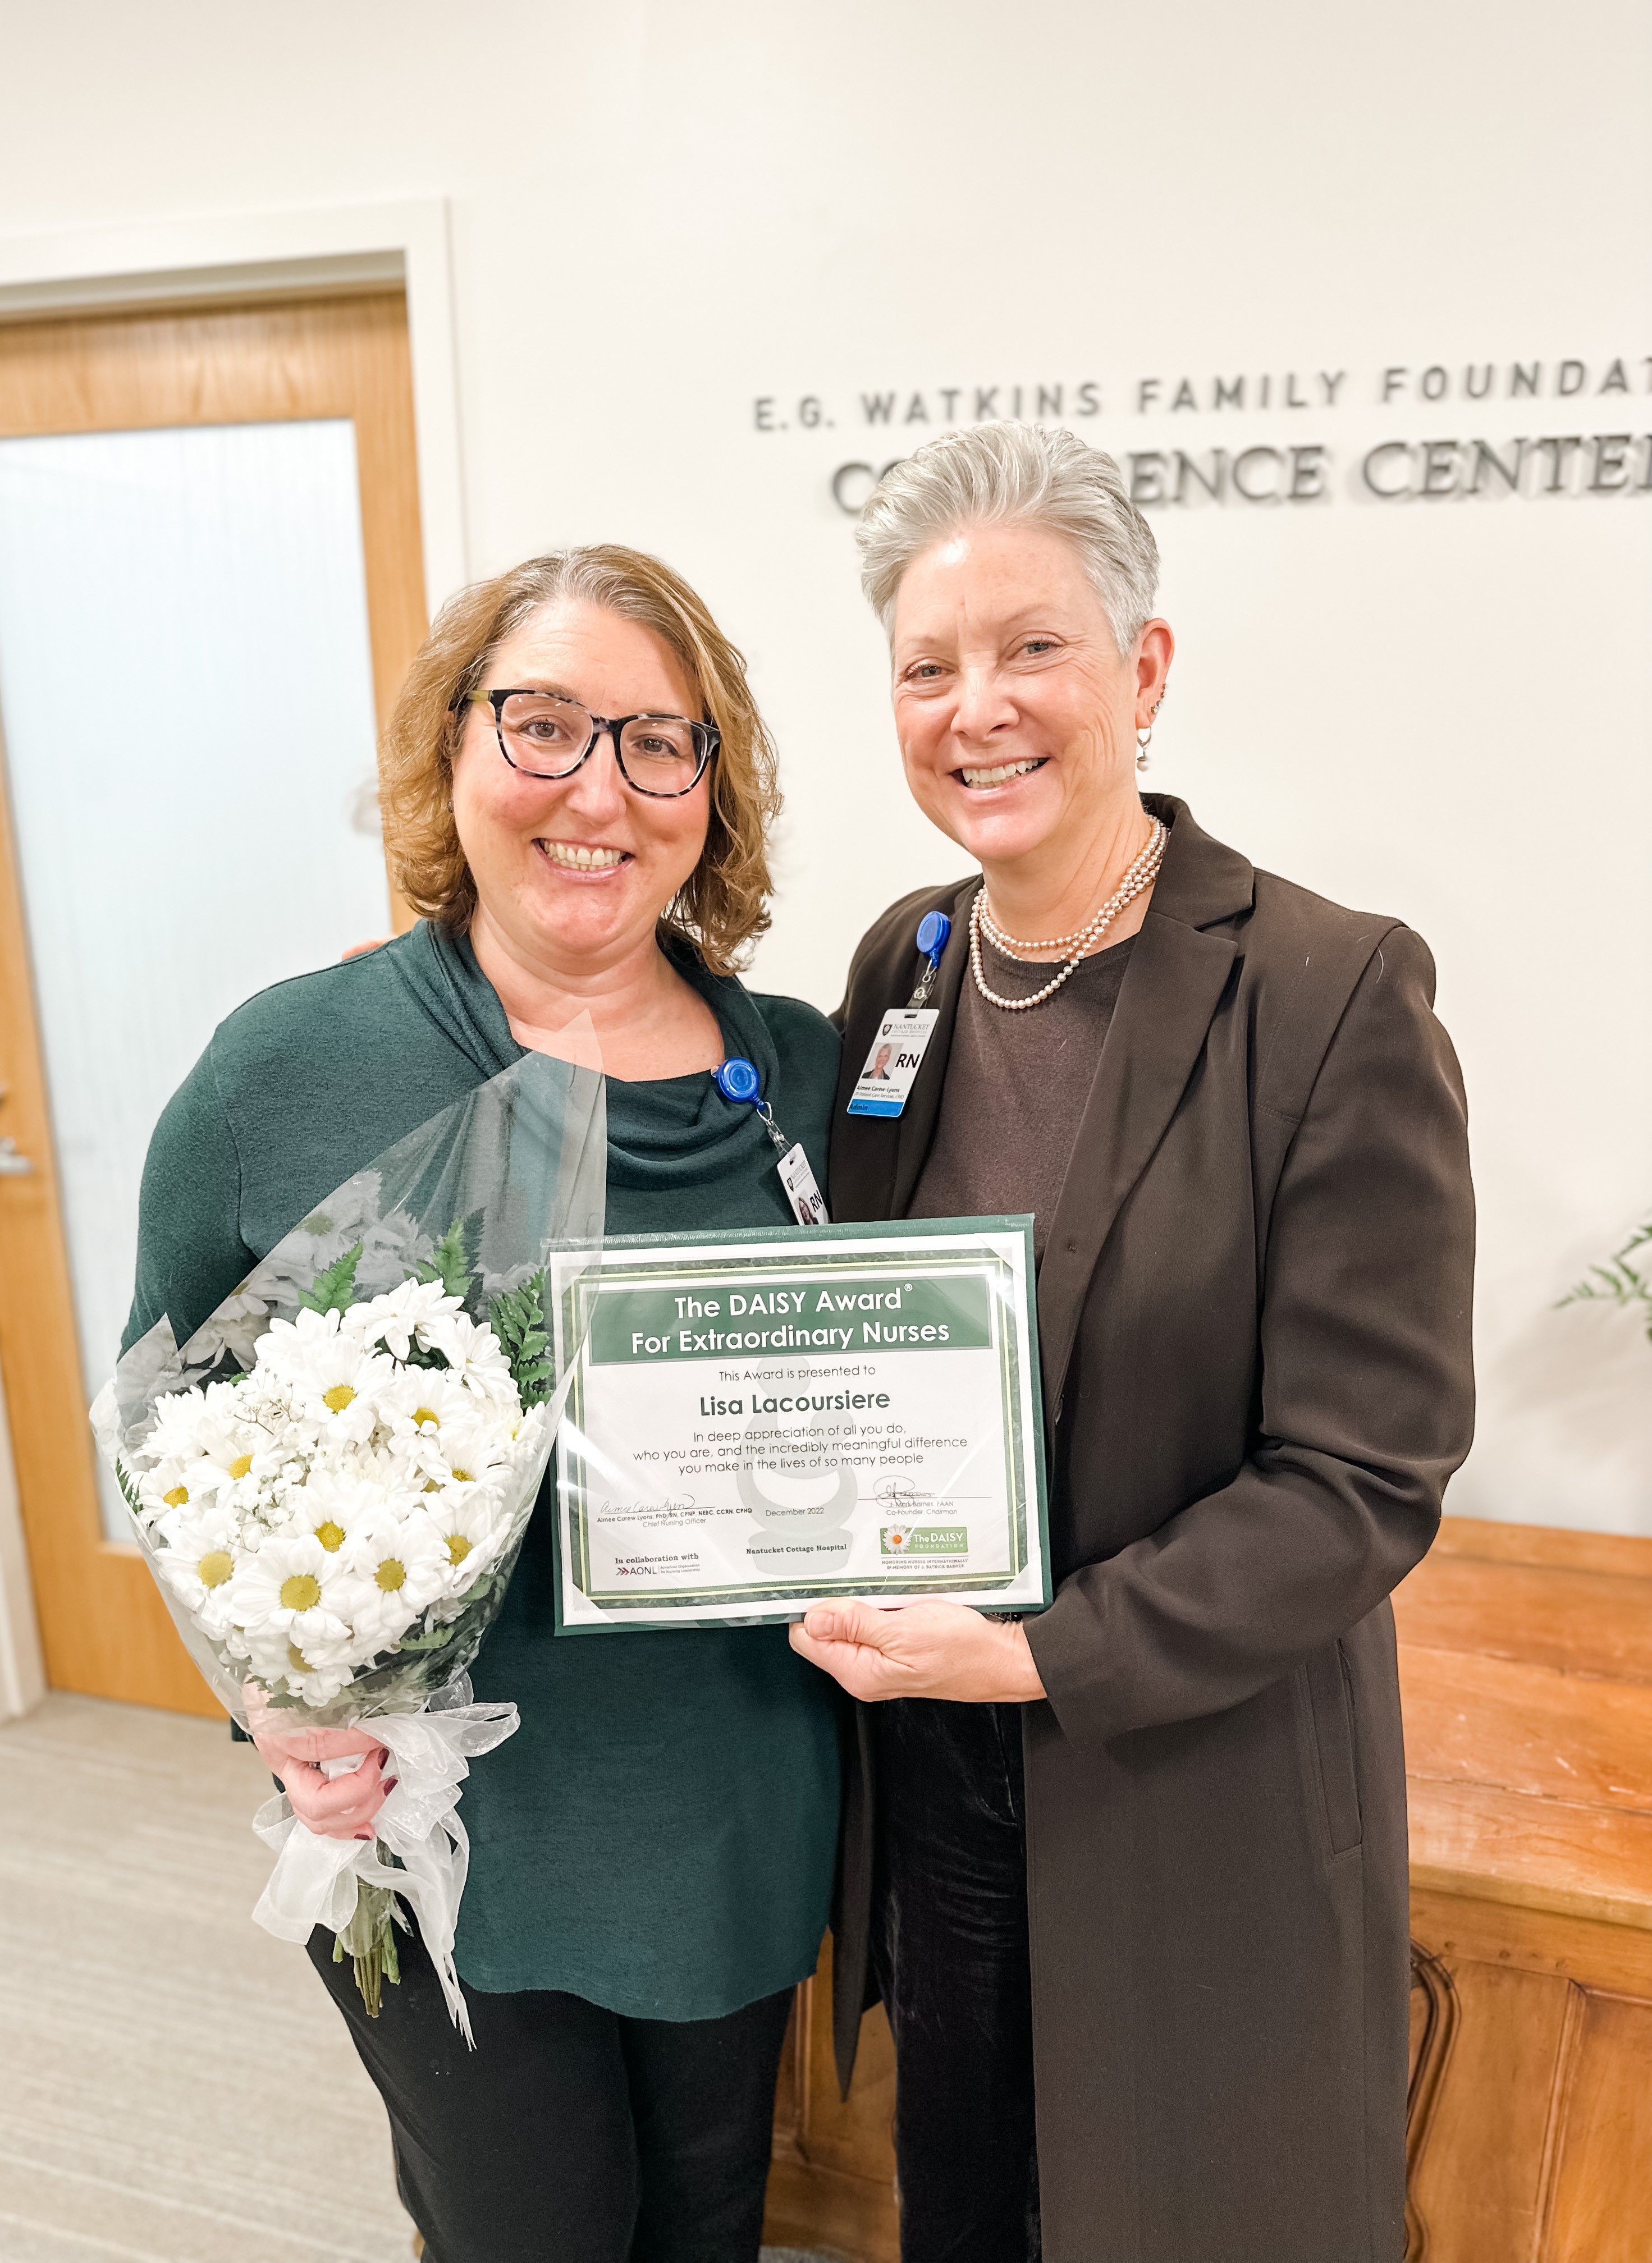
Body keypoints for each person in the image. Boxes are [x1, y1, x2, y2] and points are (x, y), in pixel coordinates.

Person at [791, 425, 1475, 2263]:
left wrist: (1042, 1658)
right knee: (975, 2216)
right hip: (939, 1786)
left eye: (1032, 649)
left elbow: (1360, 1480)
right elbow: (854, 1320)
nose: (977, 709)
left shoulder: (1329, 990)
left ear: (1144, 669)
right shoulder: (906, 966)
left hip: (1191, 1801)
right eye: (926, 669)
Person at [126, 546, 842, 2263]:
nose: (599, 789)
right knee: (526, 2231)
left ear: (709, 789)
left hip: (729, 1794)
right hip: (437, 1819)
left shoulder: (807, 1068)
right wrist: (273, 1702)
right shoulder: (285, 1070)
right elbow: (169, 1420)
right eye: (543, 725)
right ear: (453, 750)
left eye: (658, 742)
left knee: (710, 2224)